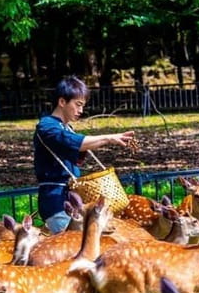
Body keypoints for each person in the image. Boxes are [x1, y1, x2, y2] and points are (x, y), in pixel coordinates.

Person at [34, 75, 134, 233]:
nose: (81, 111)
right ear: (62, 102)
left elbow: (79, 146)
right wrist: (109, 138)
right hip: (56, 203)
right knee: (75, 251)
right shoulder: (47, 126)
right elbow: (76, 142)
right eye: (78, 104)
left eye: (83, 105)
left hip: (71, 201)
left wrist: (110, 139)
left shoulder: (66, 127)